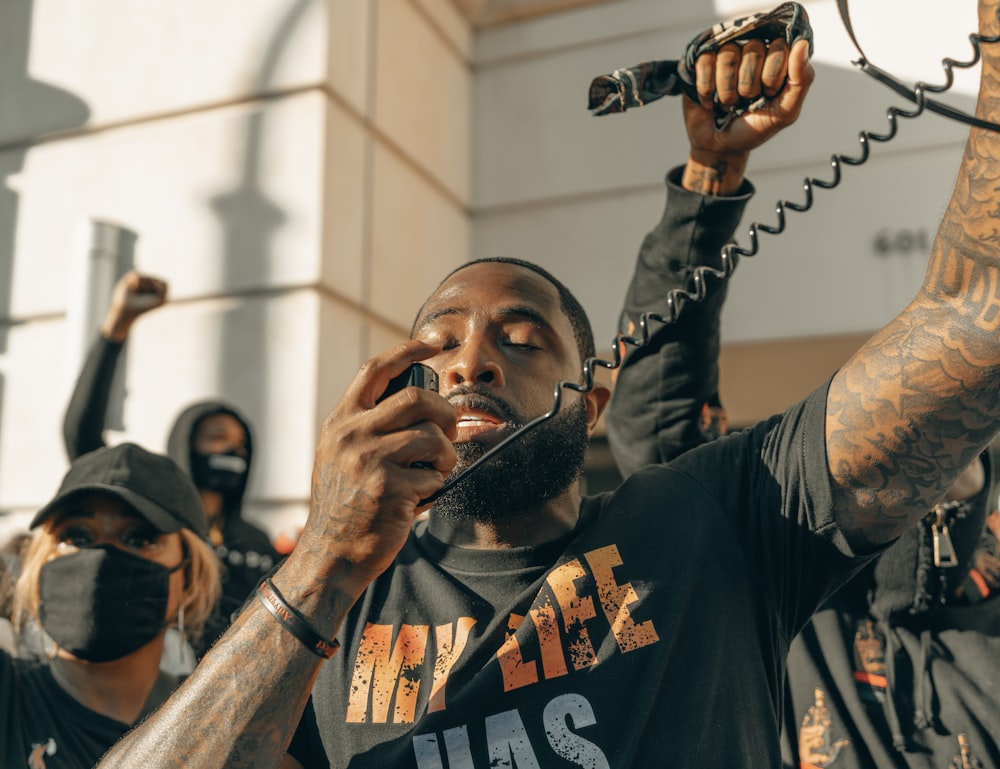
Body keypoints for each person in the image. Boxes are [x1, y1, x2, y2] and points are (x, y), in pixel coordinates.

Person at [94, 3, 1000, 767]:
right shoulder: (338, 604)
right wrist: (322, 563)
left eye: (521, 339)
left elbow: (973, 319)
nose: (470, 361)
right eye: (437, 344)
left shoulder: (711, 521)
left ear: (591, 398)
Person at [601, 24, 1000, 767]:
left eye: (938, 409)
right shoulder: (773, 573)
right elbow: (657, 431)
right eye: (887, 415)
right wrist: (709, 178)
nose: (909, 438)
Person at [63, 271, 279, 642]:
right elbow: (81, 436)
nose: (232, 449)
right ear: (185, 442)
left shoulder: (256, 541)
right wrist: (118, 326)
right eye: (217, 437)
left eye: (241, 444)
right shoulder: (150, 520)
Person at [0, 442, 221, 769]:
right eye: (76, 536)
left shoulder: (221, 724)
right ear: (40, 562)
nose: (101, 559)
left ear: (189, 578)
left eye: (139, 539)